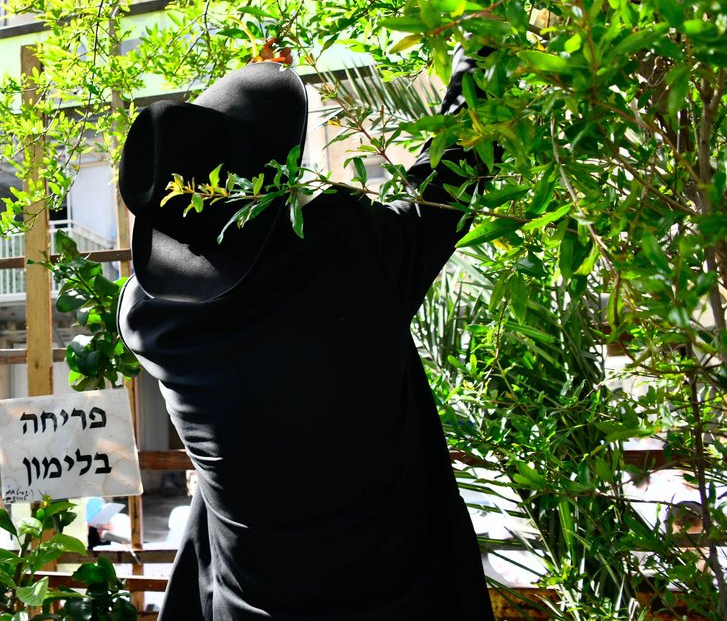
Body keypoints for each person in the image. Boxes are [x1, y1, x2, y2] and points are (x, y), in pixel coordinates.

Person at [117, 51, 496, 620]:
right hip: (399, 599)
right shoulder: (347, 255)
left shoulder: (149, 320)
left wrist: (240, 137)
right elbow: (447, 186)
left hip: (247, 604)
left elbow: (229, 254)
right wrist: (483, 54)